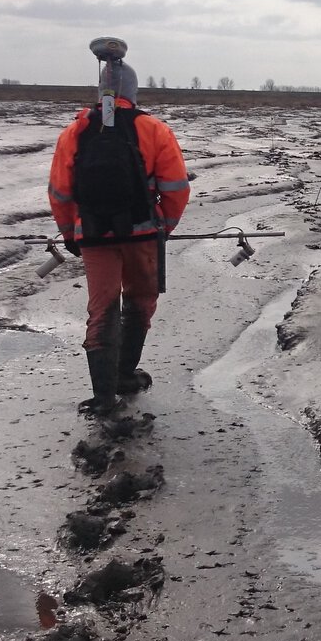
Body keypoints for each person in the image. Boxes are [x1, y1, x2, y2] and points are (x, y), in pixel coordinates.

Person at [48, 38, 190, 414]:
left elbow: (60, 192)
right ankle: (125, 373)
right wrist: (165, 227)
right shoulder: (154, 130)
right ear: (133, 91)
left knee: (102, 309)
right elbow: (176, 187)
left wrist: (70, 234)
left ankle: (102, 396)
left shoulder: (74, 132)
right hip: (142, 234)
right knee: (140, 303)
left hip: (93, 235)